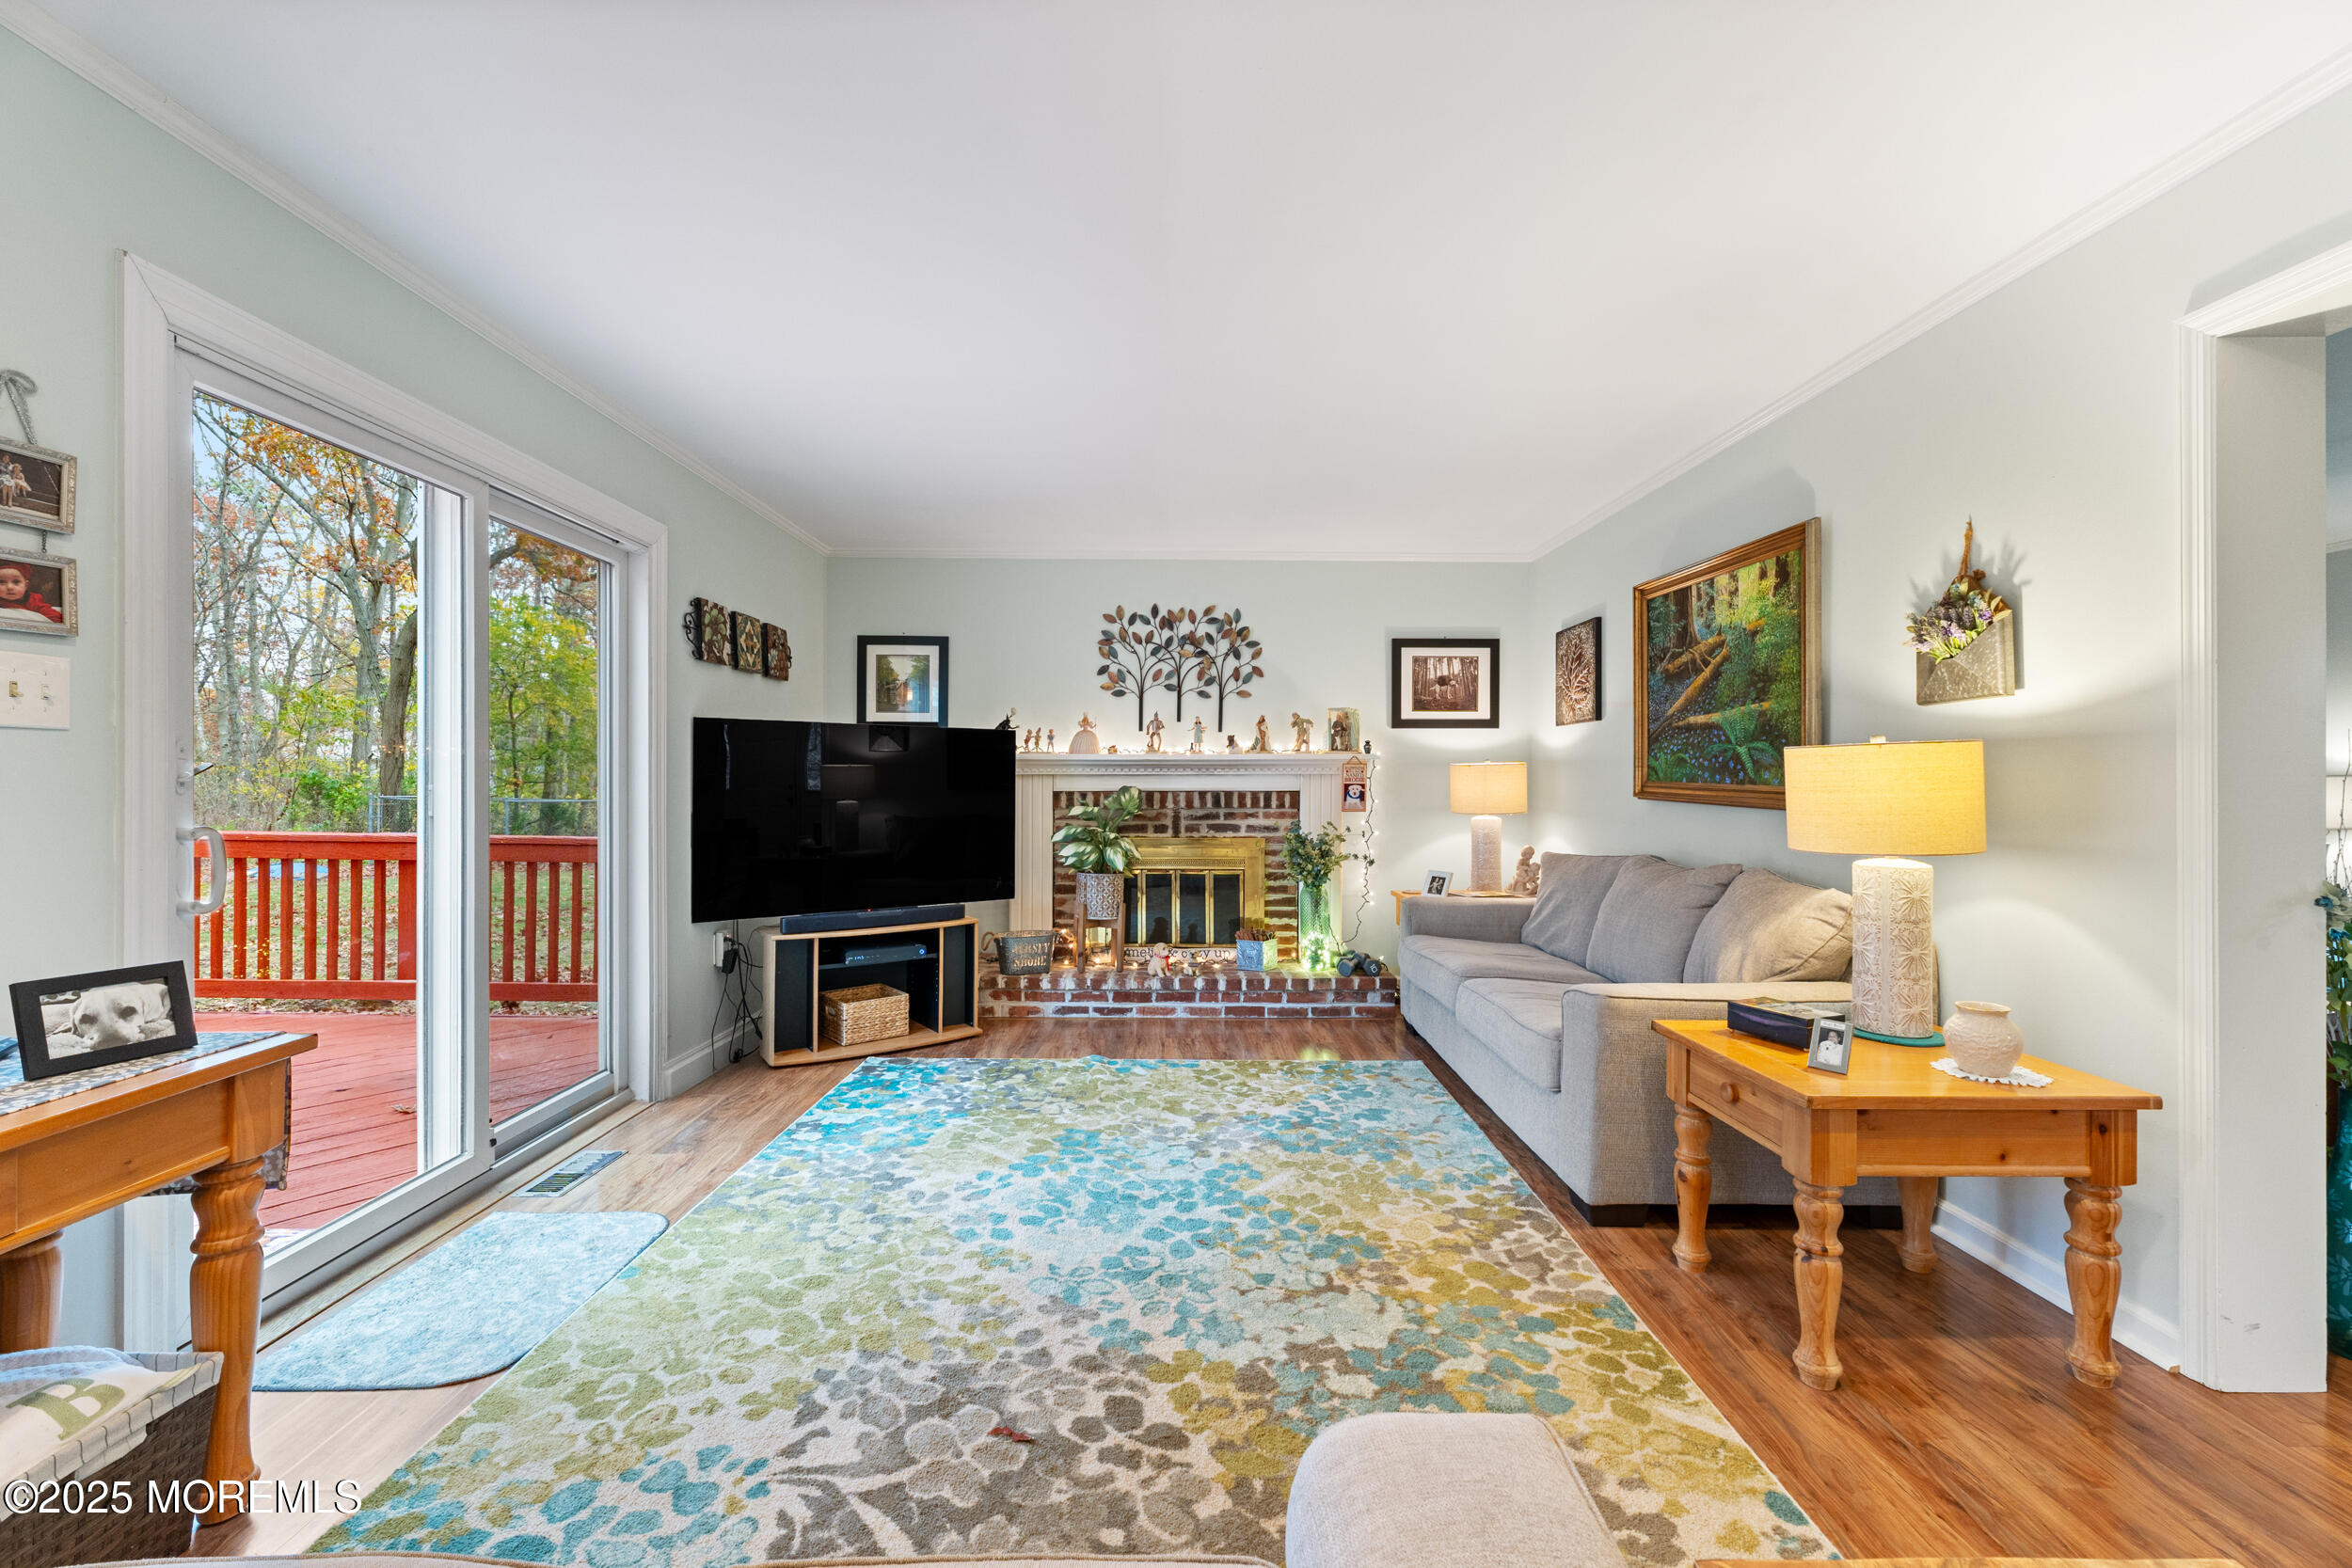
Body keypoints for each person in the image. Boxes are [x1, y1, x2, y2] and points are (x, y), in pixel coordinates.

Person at [0, 562, 64, 625]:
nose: (9, 587)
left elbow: (51, 614)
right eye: (2, 582)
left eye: (16, 582)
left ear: (26, 585)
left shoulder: (34, 600)